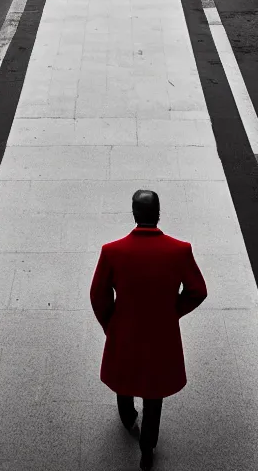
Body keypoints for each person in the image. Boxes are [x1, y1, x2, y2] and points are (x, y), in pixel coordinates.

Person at [90, 189, 207, 470]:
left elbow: (98, 295)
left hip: (125, 330)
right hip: (161, 334)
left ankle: (128, 417)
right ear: (158, 214)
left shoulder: (112, 252)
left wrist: (111, 324)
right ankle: (147, 449)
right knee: (155, 393)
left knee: (125, 375)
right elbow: (198, 290)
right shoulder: (179, 250)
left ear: (134, 214)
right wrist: (172, 312)